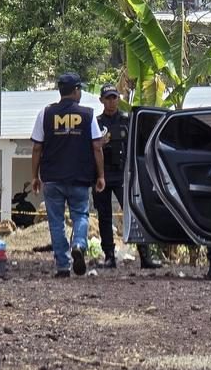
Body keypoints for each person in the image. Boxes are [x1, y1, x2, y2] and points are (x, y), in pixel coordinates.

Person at [30, 73, 105, 277]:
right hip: (80, 177)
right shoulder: (88, 115)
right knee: (80, 215)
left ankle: (63, 266)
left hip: (52, 178)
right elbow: (97, 146)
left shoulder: (45, 114)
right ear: (76, 90)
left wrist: (34, 176)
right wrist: (101, 176)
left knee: (56, 222)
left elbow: (37, 147)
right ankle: (79, 244)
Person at [95, 84, 161, 269]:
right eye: (108, 98)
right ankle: (109, 256)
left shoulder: (127, 120)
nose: (111, 101)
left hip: (124, 175)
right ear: (101, 100)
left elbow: (139, 145)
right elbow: (89, 149)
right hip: (102, 175)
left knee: (135, 214)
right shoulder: (96, 123)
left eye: (114, 97)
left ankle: (145, 256)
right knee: (105, 217)